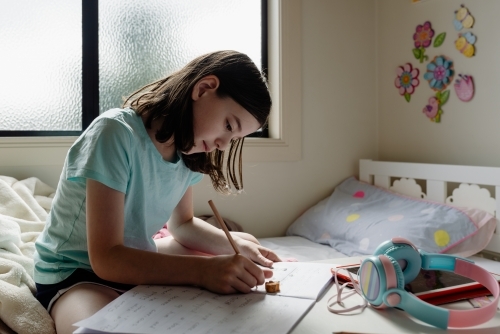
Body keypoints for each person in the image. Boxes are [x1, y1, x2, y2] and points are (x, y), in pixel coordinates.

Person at [33, 50, 281, 334]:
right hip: (77, 272)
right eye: (228, 126)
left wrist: (235, 244)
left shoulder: (188, 153)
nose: (224, 145)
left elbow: (183, 225)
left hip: (131, 258)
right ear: (203, 88)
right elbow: (107, 259)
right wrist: (203, 273)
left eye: (234, 138)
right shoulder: (115, 133)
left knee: (239, 247)